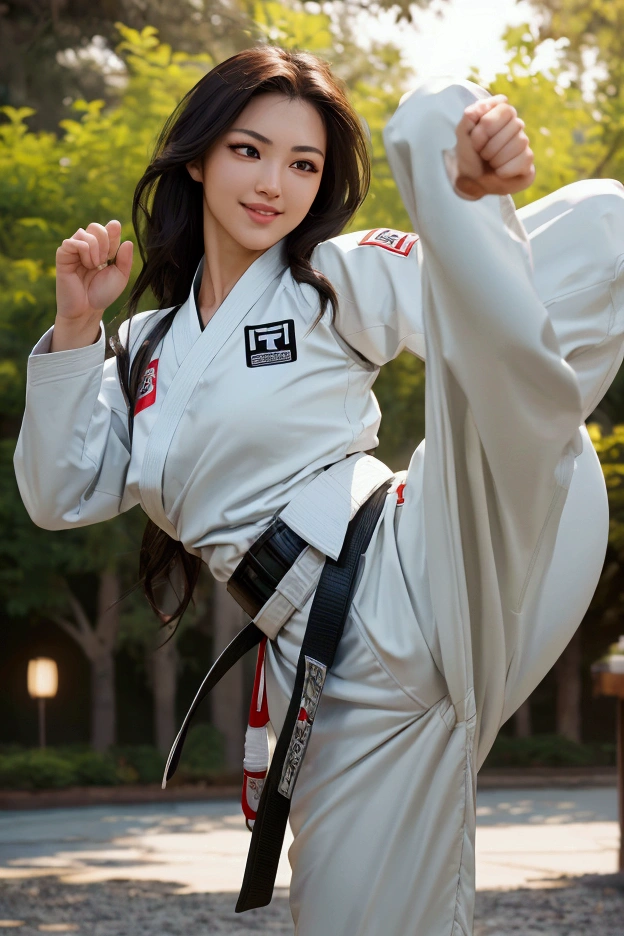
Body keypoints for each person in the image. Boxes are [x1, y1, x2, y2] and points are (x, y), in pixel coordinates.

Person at [13, 44, 624, 936]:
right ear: (198, 156)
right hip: (325, 666)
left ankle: (455, 158)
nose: (274, 184)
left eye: (304, 163)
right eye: (249, 151)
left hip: (428, 549)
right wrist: (77, 327)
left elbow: (466, 299)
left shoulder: (331, 278)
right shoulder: (142, 348)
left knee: (594, 220)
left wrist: (474, 195)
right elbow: (58, 492)